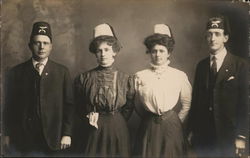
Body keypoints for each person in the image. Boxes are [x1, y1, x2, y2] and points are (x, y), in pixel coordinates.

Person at [4, 21, 75, 156]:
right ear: (30, 46)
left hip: (53, 137)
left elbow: (69, 106)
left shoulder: (62, 72)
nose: (42, 47)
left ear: (51, 46)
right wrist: (7, 134)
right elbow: (10, 107)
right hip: (24, 139)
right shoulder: (16, 72)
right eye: (37, 43)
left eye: (46, 43)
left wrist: (67, 133)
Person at [187, 16, 249, 157]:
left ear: (225, 38)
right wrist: (191, 130)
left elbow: (245, 104)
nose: (212, 38)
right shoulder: (201, 66)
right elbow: (196, 101)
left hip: (229, 136)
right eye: (209, 34)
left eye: (217, 34)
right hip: (204, 136)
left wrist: (241, 136)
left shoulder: (241, 65)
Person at [74, 23, 134, 157]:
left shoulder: (125, 78)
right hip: (94, 129)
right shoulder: (84, 78)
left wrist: (116, 120)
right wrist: (88, 116)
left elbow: (129, 106)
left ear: (114, 51)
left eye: (106, 49)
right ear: (95, 53)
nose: (103, 54)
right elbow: (78, 105)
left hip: (118, 127)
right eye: (99, 50)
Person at [133, 24, 192, 157]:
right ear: (149, 52)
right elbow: (136, 103)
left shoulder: (179, 75)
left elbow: (187, 103)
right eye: (154, 51)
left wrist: (175, 120)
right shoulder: (140, 76)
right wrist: (149, 117)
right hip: (149, 126)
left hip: (172, 127)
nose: (158, 54)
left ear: (168, 53)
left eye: (162, 51)